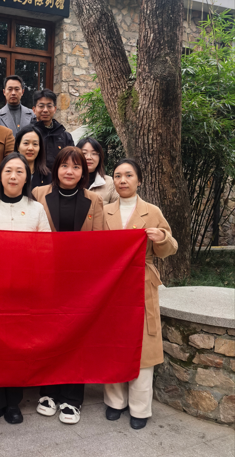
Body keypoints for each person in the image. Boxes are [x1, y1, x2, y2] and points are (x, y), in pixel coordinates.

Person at [0, 153, 50, 430]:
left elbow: (46, 248)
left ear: (27, 177)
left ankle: (13, 402)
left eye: (19, 171)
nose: (14, 176)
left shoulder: (36, 209)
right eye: (8, 171)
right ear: (0, 176)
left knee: (18, 346)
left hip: (24, 290)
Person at [103, 159, 178, 430]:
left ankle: (140, 408)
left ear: (139, 180)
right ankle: (115, 401)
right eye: (117, 175)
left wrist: (162, 238)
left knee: (144, 344)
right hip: (111, 285)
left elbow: (171, 246)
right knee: (113, 341)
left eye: (128, 175)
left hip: (142, 282)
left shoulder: (152, 211)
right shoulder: (104, 211)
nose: (122, 180)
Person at [33, 147, 104, 425]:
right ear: (56, 169)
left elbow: (100, 241)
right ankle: (48, 392)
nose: (70, 171)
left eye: (76, 167)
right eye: (64, 166)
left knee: (76, 337)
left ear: (83, 172)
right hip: (46, 278)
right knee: (48, 335)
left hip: (79, 281)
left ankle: (72, 399)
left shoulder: (94, 200)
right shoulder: (39, 194)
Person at [32, 89, 73, 170]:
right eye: (41, 106)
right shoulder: (27, 134)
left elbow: (72, 160)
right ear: (34, 110)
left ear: (55, 109)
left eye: (49, 106)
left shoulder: (65, 136)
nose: (45, 110)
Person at [76, 137, 118, 205]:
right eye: (84, 153)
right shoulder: (69, 180)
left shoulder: (110, 182)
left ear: (100, 157)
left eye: (94, 153)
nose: (89, 157)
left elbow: (117, 209)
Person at [14, 124, 51, 190]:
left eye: (35, 144)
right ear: (18, 146)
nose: (30, 148)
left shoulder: (47, 176)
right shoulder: (9, 173)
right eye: (26, 143)